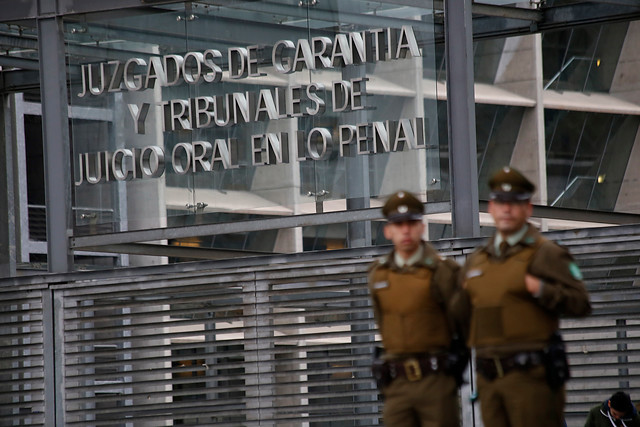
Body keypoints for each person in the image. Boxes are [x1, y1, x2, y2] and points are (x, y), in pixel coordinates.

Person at [452, 166, 592, 427]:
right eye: (501, 203)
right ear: (491, 208)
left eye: (514, 203)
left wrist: (540, 288)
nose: (507, 210)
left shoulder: (546, 253)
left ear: (527, 208)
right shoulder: (477, 260)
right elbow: (459, 316)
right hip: (489, 381)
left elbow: (581, 303)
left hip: (532, 381)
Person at [368, 190, 465, 427]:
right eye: (398, 224)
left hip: (436, 382)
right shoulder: (379, 274)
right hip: (397, 385)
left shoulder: (443, 271)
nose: (405, 230)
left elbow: (464, 323)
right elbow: (384, 323)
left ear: (421, 227)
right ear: (387, 231)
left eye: (411, 223)